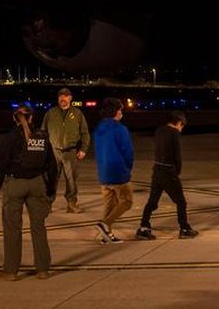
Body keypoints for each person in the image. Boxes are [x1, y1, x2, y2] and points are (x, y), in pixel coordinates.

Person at [0, 106, 58, 281]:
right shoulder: (42, 138)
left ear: (14, 119)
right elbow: (52, 167)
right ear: (32, 117)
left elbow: (0, 167)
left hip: (15, 184)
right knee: (38, 228)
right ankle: (43, 270)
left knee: (12, 229)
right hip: (37, 184)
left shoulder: (9, 139)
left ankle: (11, 271)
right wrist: (50, 190)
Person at [136, 111, 199, 241]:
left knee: (152, 201)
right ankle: (184, 228)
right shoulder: (174, 133)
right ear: (179, 123)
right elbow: (177, 155)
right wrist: (177, 172)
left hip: (157, 170)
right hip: (168, 171)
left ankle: (143, 227)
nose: (181, 129)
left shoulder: (159, 131)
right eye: (182, 126)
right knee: (181, 201)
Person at [41, 87, 90, 213]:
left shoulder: (77, 114)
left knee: (72, 180)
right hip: (54, 152)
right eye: (60, 96)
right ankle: (47, 204)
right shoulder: (50, 113)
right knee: (51, 179)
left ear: (70, 98)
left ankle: (71, 204)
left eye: (65, 96)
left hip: (70, 152)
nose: (62, 98)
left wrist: (83, 149)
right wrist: (43, 150)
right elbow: (43, 133)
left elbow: (85, 133)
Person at [93, 98, 134, 243]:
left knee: (109, 204)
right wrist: (127, 168)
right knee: (127, 201)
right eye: (120, 110)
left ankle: (106, 235)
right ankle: (105, 224)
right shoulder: (120, 129)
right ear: (115, 111)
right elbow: (128, 152)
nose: (121, 112)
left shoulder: (99, 128)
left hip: (103, 172)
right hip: (118, 172)